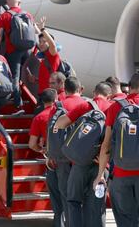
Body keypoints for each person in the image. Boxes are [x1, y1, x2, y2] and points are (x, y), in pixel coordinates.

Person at [94, 69, 139, 226]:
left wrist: (101, 174)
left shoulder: (114, 108)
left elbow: (106, 145)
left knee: (127, 220)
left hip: (120, 174)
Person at [54, 81, 112, 227]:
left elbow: (60, 124)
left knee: (73, 201)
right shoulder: (113, 108)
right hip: (101, 165)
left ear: (94, 93)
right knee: (97, 206)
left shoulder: (86, 106)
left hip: (79, 163)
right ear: (109, 96)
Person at [48, 76, 87, 226]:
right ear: (80, 89)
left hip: (62, 159)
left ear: (65, 88)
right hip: (84, 159)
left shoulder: (58, 106)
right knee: (86, 198)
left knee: (67, 198)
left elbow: (51, 131)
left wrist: (51, 155)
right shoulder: (87, 104)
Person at [0, 0, 38, 115]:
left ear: (8, 2)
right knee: (18, 77)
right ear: (20, 2)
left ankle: (18, 106)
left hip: (13, 50)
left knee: (14, 78)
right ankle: (20, 98)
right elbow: (35, 31)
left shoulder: (5, 15)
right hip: (27, 50)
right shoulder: (27, 14)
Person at [28, 88, 64, 227]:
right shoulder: (64, 114)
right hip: (69, 160)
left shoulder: (39, 117)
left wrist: (42, 150)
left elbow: (32, 144)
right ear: (56, 99)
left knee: (56, 199)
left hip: (52, 161)